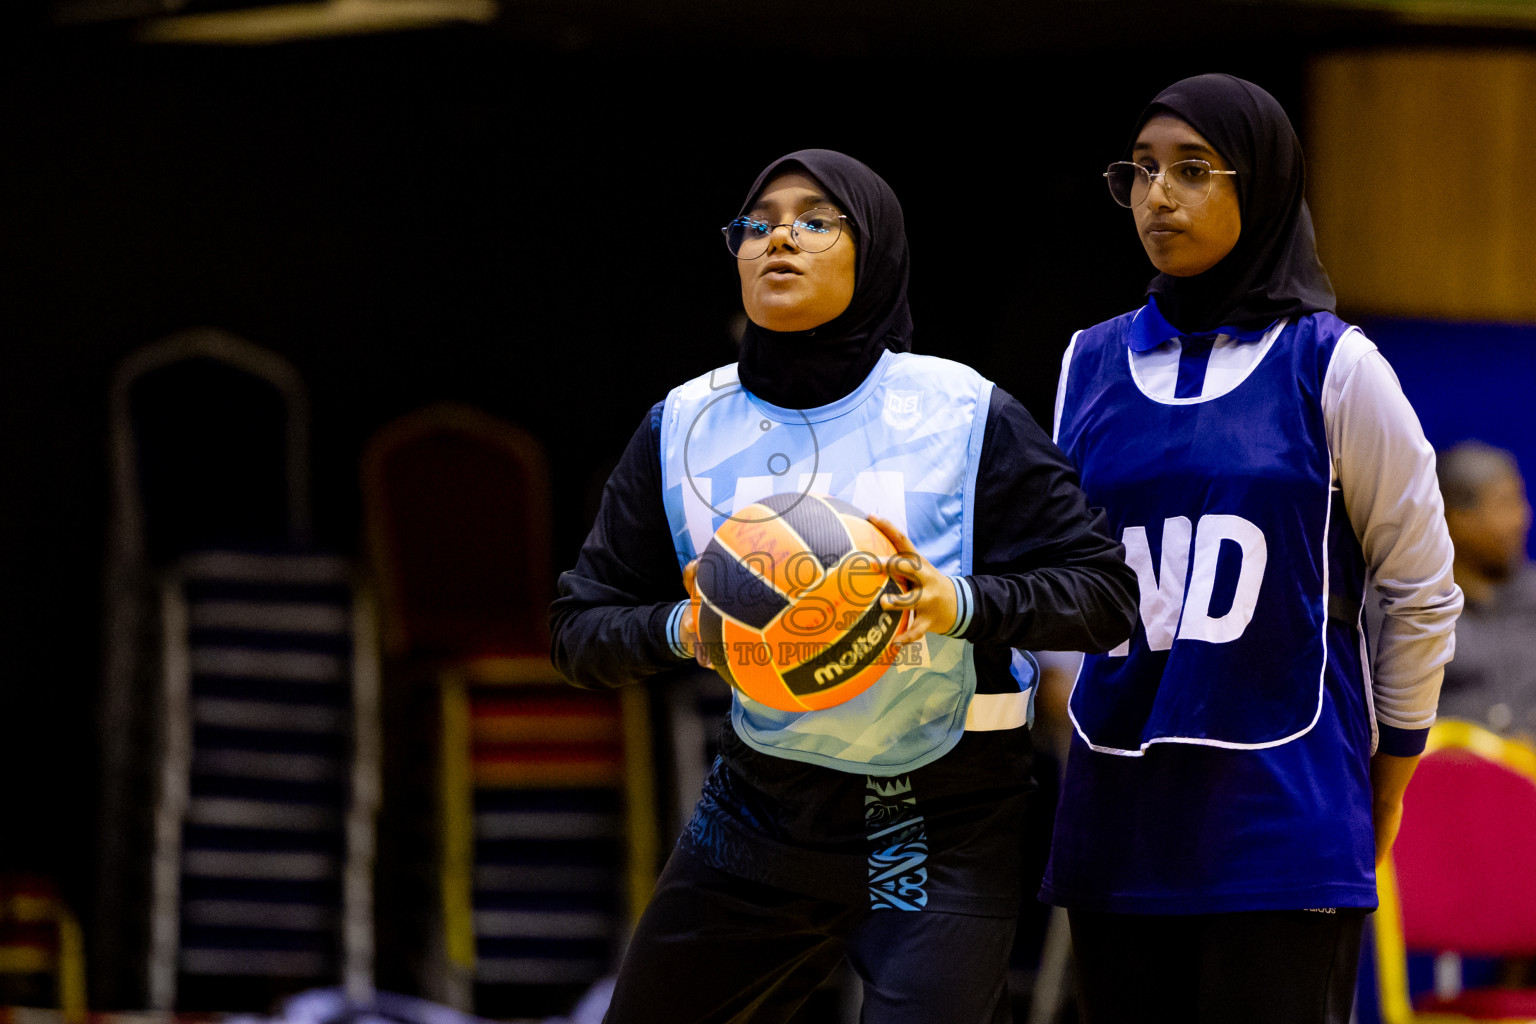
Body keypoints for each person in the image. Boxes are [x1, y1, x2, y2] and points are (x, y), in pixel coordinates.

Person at [549, 148, 1139, 1023]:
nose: (778, 236)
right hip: (762, 801)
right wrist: (685, 629)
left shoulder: (962, 412)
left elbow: (1106, 596)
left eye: (815, 220)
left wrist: (960, 603)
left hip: (942, 813)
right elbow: (576, 632)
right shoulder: (681, 424)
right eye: (758, 222)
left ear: (878, 254)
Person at [1038, 75, 1463, 1024]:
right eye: (1141, 171)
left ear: (1262, 185)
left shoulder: (1335, 364)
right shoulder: (1086, 361)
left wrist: (1387, 780)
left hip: (1281, 823)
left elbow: (1420, 587)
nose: (1158, 195)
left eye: (1192, 170)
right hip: (1119, 822)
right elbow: (1056, 572)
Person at [1436, 440, 1536, 742]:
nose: (1521, 518)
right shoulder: (1408, 610)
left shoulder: (1531, 597)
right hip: (1450, 777)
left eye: (1519, 502)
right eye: (1504, 504)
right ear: (1455, 519)